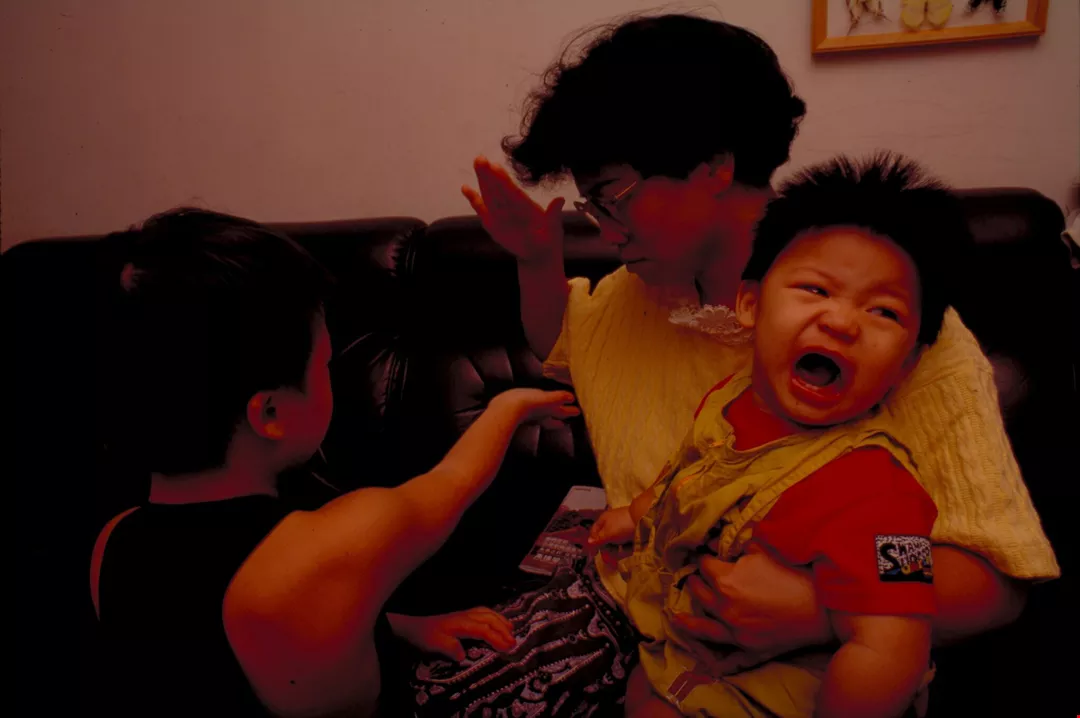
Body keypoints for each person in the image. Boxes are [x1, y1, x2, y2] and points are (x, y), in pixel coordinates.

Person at [462, 13, 1058, 674]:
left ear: (714, 166)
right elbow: (565, 343)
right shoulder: (637, 296)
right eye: (590, 208)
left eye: (612, 197)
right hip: (634, 624)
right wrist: (536, 260)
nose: (605, 231)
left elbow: (990, 578)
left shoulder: (883, 330)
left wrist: (823, 605)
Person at [89, 208, 579, 717]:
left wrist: (401, 627)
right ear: (271, 413)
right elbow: (453, 481)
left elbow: (210, 651)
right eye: (324, 364)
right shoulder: (340, 541)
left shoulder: (112, 543)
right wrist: (509, 407)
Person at [588, 153, 957, 717]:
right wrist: (639, 512)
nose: (841, 322)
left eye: (884, 312)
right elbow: (689, 469)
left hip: (779, 685)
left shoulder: (884, 494)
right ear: (750, 305)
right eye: (815, 290)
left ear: (908, 363)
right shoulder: (730, 398)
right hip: (682, 639)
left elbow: (892, 652)